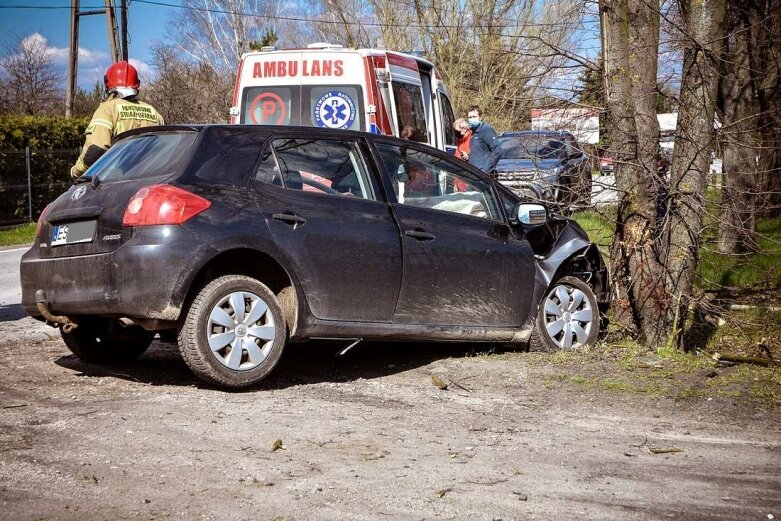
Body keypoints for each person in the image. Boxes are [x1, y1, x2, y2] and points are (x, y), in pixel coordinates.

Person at [70, 60, 164, 179]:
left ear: (108, 84)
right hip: (151, 179)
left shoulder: (107, 109)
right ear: (137, 84)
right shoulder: (153, 111)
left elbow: (96, 149)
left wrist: (76, 172)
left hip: (116, 181)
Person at [465, 106, 500, 174]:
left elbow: (497, 150)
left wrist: (486, 169)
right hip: (473, 172)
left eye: (474, 116)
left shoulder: (486, 129)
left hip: (483, 174)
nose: (472, 119)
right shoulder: (472, 131)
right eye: (470, 117)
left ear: (480, 117)